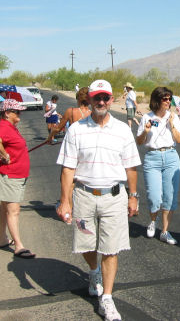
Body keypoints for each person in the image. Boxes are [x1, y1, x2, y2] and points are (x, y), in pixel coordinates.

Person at [56, 79, 141, 321]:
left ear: (112, 100)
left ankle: (107, 298)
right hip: (83, 195)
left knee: (111, 249)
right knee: (87, 244)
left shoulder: (123, 130)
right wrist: (65, 201)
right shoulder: (76, 129)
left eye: (105, 98)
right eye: (97, 98)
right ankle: (94, 272)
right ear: (90, 100)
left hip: (114, 197)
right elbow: (68, 169)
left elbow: (131, 167)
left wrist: (133, 196)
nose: (101, 102)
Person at [136, 86, 180, 245]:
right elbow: (140, 141)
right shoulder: (147, 118)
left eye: (169, 99)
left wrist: (172, 125)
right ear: (157, 100)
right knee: (154, 196)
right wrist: (146, 131)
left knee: (170, 197)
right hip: (152, 157)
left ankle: (165, 231)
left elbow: (179, 140)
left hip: (171, 157)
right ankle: (152, 221)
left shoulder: (174, 117)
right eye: (165, 99)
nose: (168, 102)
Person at [0, 99, 35, 258]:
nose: (19, 114)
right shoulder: (4, 126)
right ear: (7, 113)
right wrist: (5, 156)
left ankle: (2, 238)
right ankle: (19, 246)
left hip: (12, 174)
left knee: (4, 207)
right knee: (13, 210)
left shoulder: (10, 127)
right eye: (16, 112)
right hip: (10, 174)